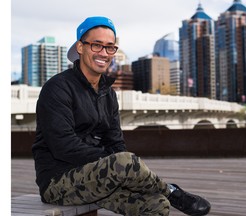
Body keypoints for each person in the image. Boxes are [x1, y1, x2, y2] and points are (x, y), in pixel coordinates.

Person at [32, 16, 211, 216]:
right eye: (96, 45)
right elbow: (62, 145)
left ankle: (164, 194)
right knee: (124, 162)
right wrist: (115, 162)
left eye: (110, 47)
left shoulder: (108, 94)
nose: (104, 53)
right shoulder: (57, 88)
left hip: (100, 175)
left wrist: (120, 167)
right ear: (80, 47)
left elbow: (116, 142)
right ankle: (171, 191)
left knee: (156, 204)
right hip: (58, 182)